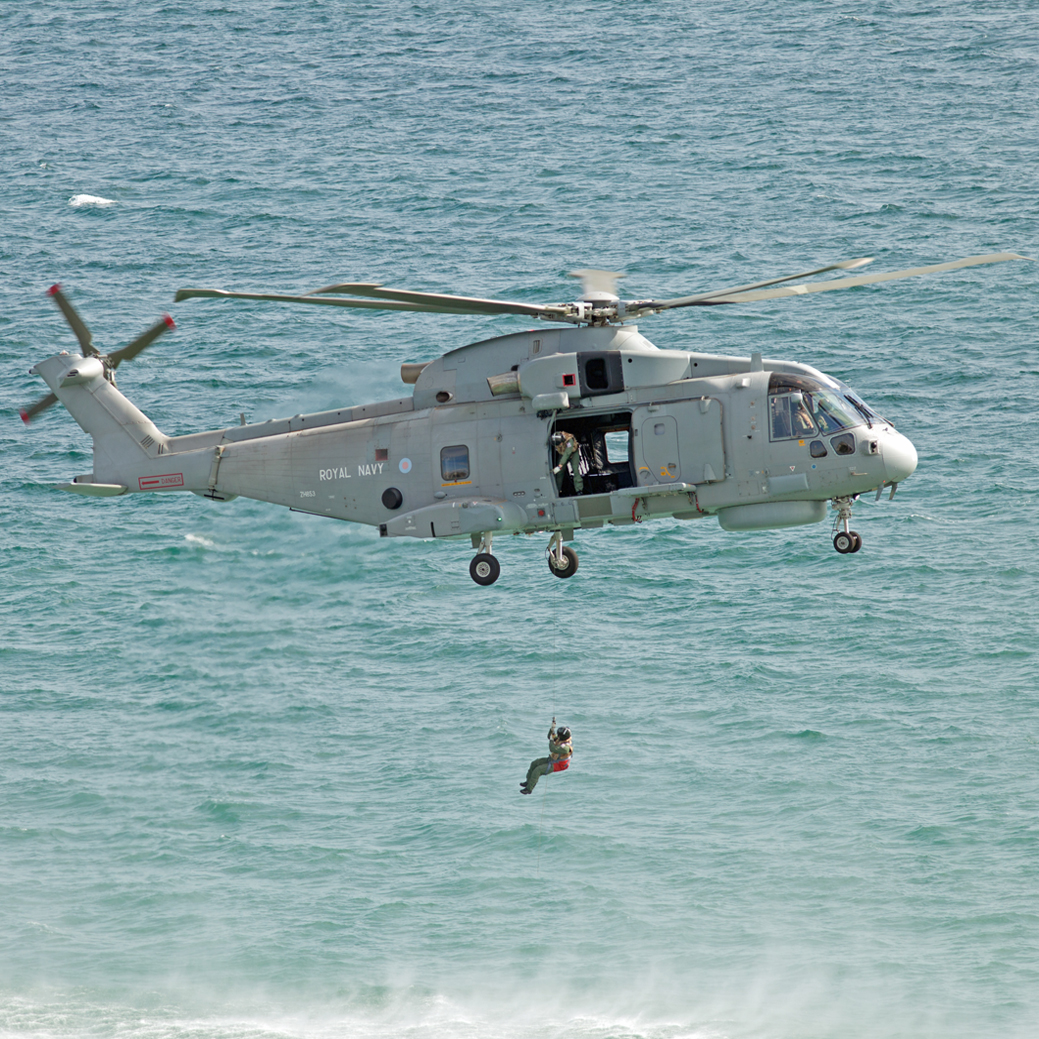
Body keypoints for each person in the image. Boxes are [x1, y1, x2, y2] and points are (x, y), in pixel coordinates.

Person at [520, 717, 573, 795]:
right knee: (534, 763)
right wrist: (552, 729)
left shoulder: (566, 748)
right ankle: (528, 782)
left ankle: (529, 789)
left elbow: (552, 748)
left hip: (558, 765)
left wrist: (552, 740)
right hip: (552, 760)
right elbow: (550, 736)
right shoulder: (560, 740)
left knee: (538, 770)